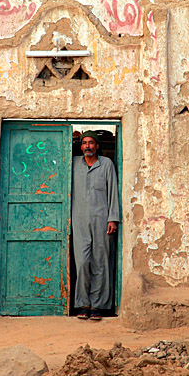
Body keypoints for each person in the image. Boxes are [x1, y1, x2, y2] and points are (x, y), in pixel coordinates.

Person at [72, 130, 119, 321]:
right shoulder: (74, 164)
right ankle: (83, 303)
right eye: (84, 143)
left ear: (97, 146)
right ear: (80, 146)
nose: (88, 147)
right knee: (82, 262)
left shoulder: (106, 164)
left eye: (91, 143)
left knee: (100, 262)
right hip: (79, 220)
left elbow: (113, 192)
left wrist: (113, 218)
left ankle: (98, 305)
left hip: (102, 220)